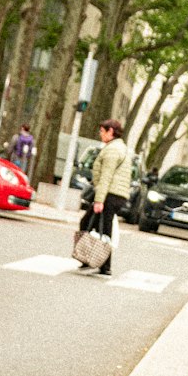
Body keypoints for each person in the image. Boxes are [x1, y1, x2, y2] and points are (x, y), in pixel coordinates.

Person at [77, 118, 131, 277]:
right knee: (97, 226)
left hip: (109, 194)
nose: (100, 134)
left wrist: (99, 200)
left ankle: (102, 264)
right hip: (112, 194)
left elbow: (106, 176)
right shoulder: (118, 147)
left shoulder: (113, 150)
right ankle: (94, 261)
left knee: (96, 226)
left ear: (111, 132)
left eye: (102, 131)